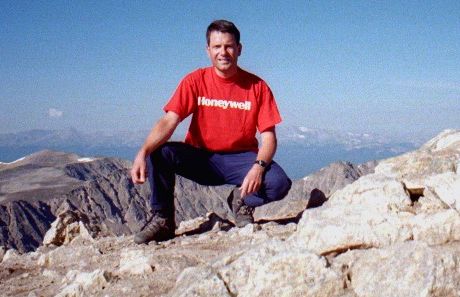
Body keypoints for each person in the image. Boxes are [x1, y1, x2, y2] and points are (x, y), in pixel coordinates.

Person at [131, 20, 292, 244]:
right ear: (208, 51)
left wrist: (258, 167)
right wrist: (144, 151)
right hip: (201, 158)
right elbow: (170, 120)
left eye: (229, 46)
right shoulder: (195, 81)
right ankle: (163, 220)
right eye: (217, 47)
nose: (223, 52)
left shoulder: (257, 87)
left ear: (239, 49)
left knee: (279, 182)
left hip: (240, 160)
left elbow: (269, 137)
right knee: (160, 153)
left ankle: (241, 200)